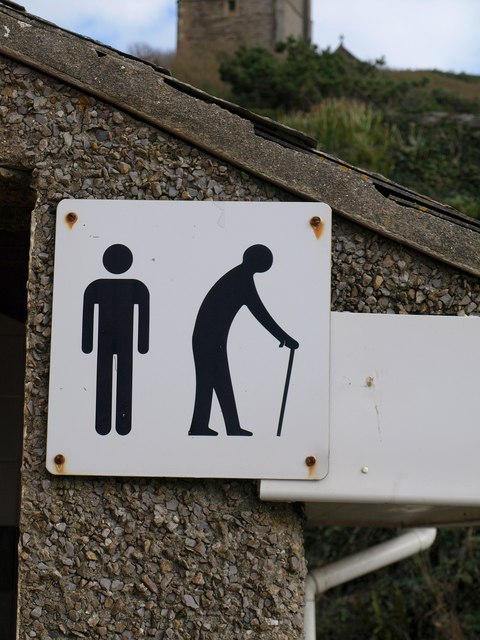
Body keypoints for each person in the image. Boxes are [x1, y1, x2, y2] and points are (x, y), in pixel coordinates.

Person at [189, 244, 298, 436]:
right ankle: (206, 427)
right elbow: (259, 312)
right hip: (209, 338)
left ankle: (224, 427)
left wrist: (283, 337)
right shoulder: (241, 279)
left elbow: (257, 311)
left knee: (219, 381)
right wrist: (284, 337)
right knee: (211, 381)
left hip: (210, 337)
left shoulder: (239, 276)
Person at [82, 244, 150, 436]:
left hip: (106, 340)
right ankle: (118, 425)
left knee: (107, 379)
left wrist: (87, 344)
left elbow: (88, 317)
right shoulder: (137, 287)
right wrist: (142, 345)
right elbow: (143, 317)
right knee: (119, 380)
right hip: (123, 341)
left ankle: (111, 425)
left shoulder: (96, 286)